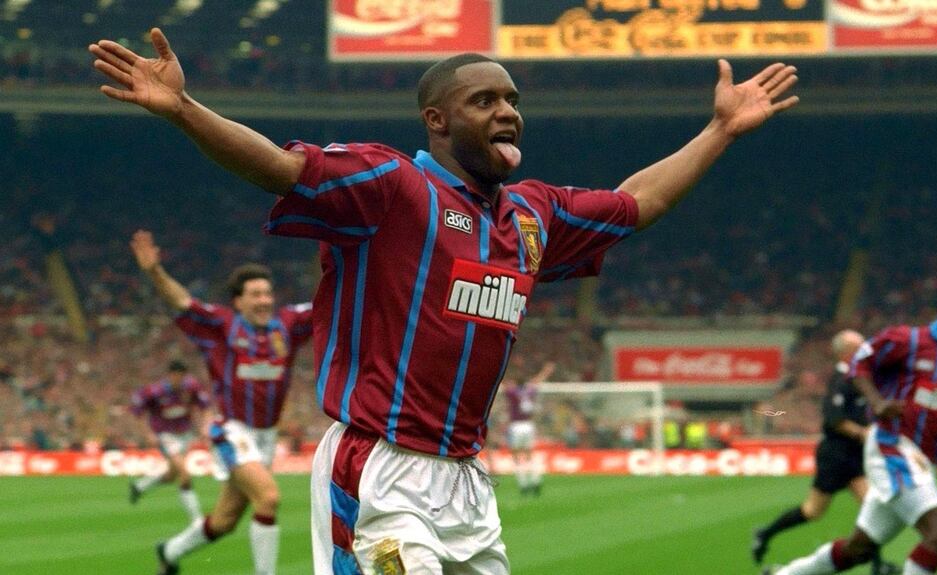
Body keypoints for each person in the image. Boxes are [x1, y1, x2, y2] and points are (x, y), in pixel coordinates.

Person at [90, 28, 798, 574]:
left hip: (467, 478)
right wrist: (182, 108)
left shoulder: (531, 215)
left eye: (514, 100)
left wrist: (719, 132)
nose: (507, 112)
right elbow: (280, 166)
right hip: (378, 468)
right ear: (436, 118)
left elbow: (640, 201)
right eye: (485, 100)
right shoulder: (392, 187)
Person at [764, 271, 937, 575]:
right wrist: (877, 402)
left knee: (859, 549)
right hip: (892, 446)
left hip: (926, 462)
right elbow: (859, 364)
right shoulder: (909, 340)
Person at [128, 230, 313, 575]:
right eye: (255, 294)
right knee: (269, 498)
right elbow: (184, 302)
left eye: (267, 293)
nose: (264, 300)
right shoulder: (221, 327)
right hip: (231, 430)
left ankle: (169, 552)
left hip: (266, 436)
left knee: (225, 520)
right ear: (238, 301)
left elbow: (329, 306)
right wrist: (154, 271)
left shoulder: (287, 325)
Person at [753, 330, 898, 575]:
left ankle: (877, 566)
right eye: (860, 346)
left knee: (871, 507)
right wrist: (864, 434)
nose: (866, 350)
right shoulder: (840, 379)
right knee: (813, 511)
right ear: (846, 352)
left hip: (853, 456)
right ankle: (765, 533)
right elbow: (834, 419)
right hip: (836, 455)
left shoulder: (857, 377)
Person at [129, 359, 211, 522]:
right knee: (184, 474)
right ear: (170, 375)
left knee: (171, 475)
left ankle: (140, 486)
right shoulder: (154, 391)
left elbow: (206, 407)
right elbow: (137, 411)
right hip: (166, 435)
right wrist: (148, 433)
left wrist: (205, 426)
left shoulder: (192, 387)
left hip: (185, 433)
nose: (179, 380)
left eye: (182, 377)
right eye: (176, 376)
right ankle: (197, 520)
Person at [503, 360, 556, 496]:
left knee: (516, 456)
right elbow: (537, 381)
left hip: (516, 426)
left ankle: (523, 484)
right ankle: (536, 480)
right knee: (529, 455)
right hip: (528, 425)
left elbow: (503, 383)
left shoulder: (512, 392)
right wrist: (546, 371)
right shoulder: (530, 390)